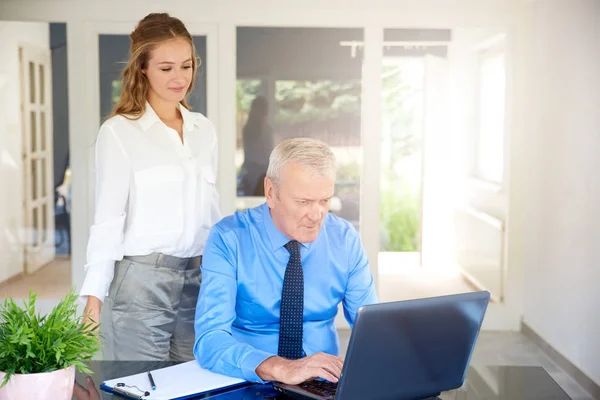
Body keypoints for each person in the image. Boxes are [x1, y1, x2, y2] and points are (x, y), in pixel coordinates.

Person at [80, 12, 221, 361]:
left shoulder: (204, 130)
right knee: (139, 387)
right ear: (143, 67)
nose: (179, 78)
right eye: (166, 67)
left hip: (197, 280)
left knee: (194, 384)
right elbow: (108, 221)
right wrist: (93, 301)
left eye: (186, 66)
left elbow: (212, 215)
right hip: (140, 283)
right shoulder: (119, 132)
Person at [194, 138, 378, 384]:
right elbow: (209, 339)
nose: (316, 215)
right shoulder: (229, 239)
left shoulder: (344, 239)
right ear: (271, 192)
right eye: (303, 202)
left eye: (324, 201)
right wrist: (281, 368)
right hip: (250, 381)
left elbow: (373, 328)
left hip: (323, 386)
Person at [240, 95, 274, 196]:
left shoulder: (248, 127)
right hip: (261, 172)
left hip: (250, 172)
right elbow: (268, 151)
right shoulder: (265, 128)